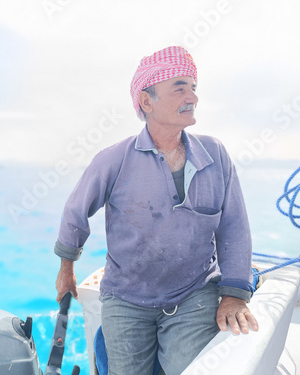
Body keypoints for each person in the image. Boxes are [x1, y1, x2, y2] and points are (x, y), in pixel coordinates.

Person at [54, 46, 259, 375]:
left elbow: (234, 226)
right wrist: (67, 270)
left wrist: (235, 293)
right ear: (146, 102)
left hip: (193, 292)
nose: (191, 95)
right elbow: (75, 212)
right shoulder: (113, 160)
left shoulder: (215, 154)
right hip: (126, 297)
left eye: (194, 87)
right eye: (180, 87)